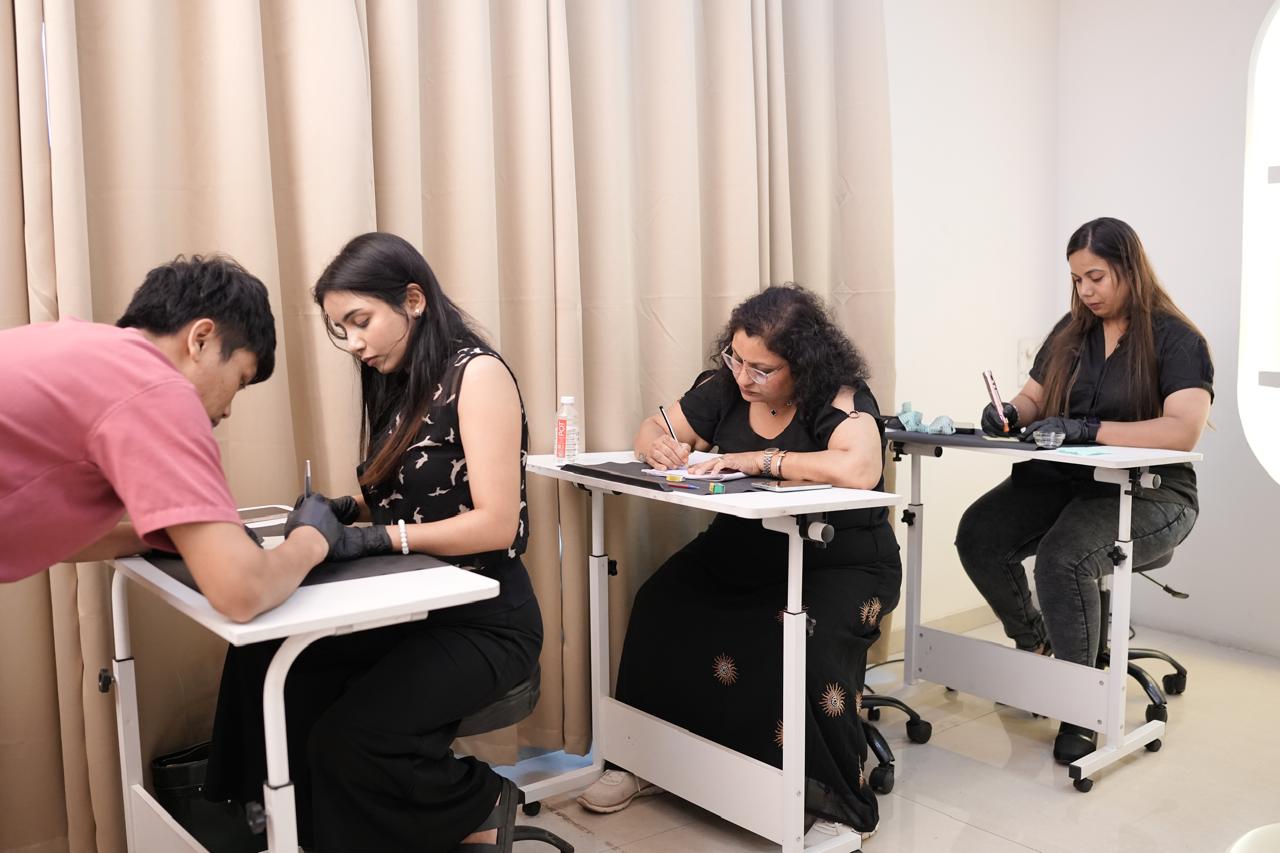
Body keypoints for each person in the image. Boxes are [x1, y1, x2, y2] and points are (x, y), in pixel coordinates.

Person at [204, 233, 542, 853]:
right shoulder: (400, 380)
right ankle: (277, 825)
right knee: (264, 659)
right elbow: (413, 489)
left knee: (348, 740)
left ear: (413, 300)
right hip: (413, 606)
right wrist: (343, 509)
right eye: (342, 330)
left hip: (485, 619)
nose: (354, 343)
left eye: (360, 322)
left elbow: (497, 523)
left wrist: (377, 538)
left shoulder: (478, 375)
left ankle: (481, 799)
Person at [575, 284, 901, 839]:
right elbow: (653, 428)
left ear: (803, 364)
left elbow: (860, 469)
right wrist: (658, 447)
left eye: (762, 369)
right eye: (737, 359)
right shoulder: (725, 386)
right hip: (742, 549)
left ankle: (834, 800)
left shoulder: (840, 398)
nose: (745, 377)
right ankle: (645, 761)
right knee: (661, 602)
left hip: (839, 562)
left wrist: (756, 460)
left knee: (807, 642)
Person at [955, 217, 1213, 763]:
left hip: (1153, 494)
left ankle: (1082, 709)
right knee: (979, 534)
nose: (1086, 291)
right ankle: (1037, 644)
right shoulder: (1071, 333)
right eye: (1077, 280)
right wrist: (1008, 413)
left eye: (1096, 277)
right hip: (1066, 483)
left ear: (1129, 268)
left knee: (1064, 557)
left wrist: (1089, 429)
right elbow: (1033, 398)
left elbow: (1181, 431)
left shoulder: (1177, 339)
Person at [0, 255, 337, 620]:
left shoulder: (80, 345)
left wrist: (170, 538)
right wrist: (312, 539)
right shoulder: (152, 387)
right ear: (201, 339)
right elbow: (243, 591)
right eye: (239, 380)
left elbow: (46, 536)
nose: (227, 410)